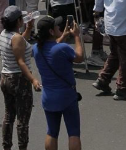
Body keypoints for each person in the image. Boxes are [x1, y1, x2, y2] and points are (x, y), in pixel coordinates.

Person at [32, 15, 84, 150]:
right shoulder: (63, 48)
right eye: (55, 26)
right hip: (67, 96)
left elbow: (52, 47)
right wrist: (77, 36)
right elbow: (79, 57)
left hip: (49, 97)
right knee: (73, 133)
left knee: (52, 132)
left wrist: (63, 36)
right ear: (51, 31)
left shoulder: (37, 49)